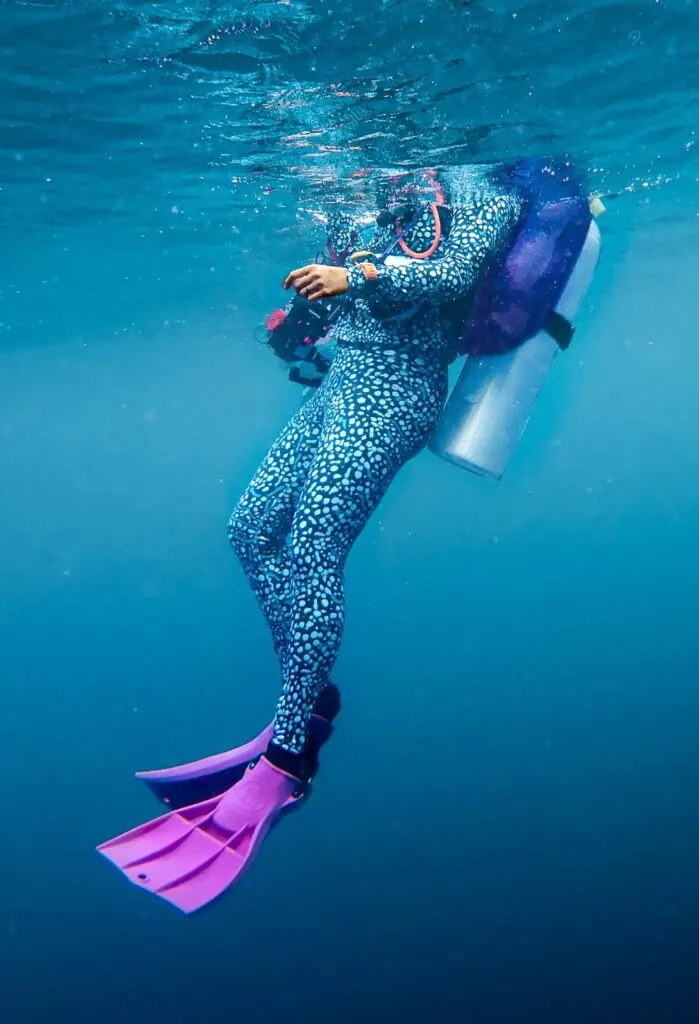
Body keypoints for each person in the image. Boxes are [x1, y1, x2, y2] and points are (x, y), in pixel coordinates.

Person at [97, 168, 525, 914]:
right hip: (344, 380)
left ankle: (289, 754)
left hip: (397, 389)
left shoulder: (477, 189)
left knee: (315, 549)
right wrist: (307, 320)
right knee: (249, 530)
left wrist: (351, 273)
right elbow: (354, 283)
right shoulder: (369, 183)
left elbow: (452, 271)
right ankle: (309, 696)